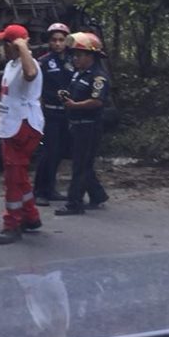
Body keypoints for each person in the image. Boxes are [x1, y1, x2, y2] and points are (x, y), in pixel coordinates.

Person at [0, 24, 45, 246]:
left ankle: (12, 224)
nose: (3, 47)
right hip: (11, 125)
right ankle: (31, 216)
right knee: (19, 176)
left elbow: (31, 73)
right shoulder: (10, 65)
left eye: (6, 43)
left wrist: (22, 46)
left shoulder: (28, 64)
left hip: (22, 126)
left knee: (13, 178)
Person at [54, 32, 110, 217]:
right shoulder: (79, 74)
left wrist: (75, 105)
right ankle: (98, 195)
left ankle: (74, 203)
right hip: (76, 124)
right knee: (83, 163)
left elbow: (97, 101)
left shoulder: (98, 77)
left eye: (79, 55)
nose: (75, 58)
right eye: (74, 55)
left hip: (89, 126)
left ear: (90, 56)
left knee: (80, 165)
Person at [33, 22, 74, 206]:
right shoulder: (43, 62)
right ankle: (40, 191)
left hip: (68, 113)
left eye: (61, 40)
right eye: (54, 40)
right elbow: (37, 90)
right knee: (48, 153)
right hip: (50, 113)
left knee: (59, 153)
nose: (58, 43)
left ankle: (51, 188)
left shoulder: (73, 61)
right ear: (49, 42)